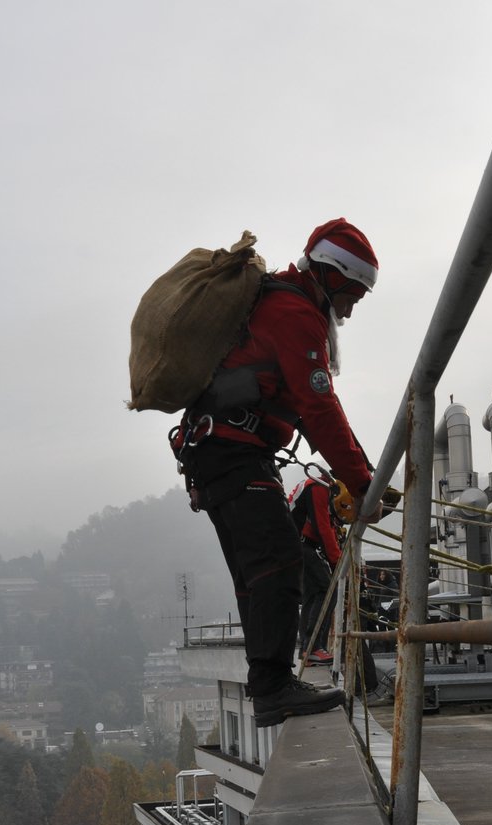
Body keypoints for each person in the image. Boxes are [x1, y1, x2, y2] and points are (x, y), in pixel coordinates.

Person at [171, 219, 381, 727]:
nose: (350, 311)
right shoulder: (294, 312)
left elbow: (318, 406)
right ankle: (273, 687)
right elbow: (319, 406)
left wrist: (363, 471)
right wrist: (361, 480)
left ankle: (271, 683)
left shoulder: (284, 305)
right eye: (351, 295)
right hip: (230, 454)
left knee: (258, 570)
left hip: (220, 454)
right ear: (331, 277)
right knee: (279, 561)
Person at [289, 471, 341, 665]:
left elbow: (325, 525)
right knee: (327, 590)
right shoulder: (319, 487)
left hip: (294, 545)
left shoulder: (310, 485)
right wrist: (337, 560)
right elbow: (322, 527)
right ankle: (313, 646)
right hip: (301, 545)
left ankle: (307, 649)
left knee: (312, 594)